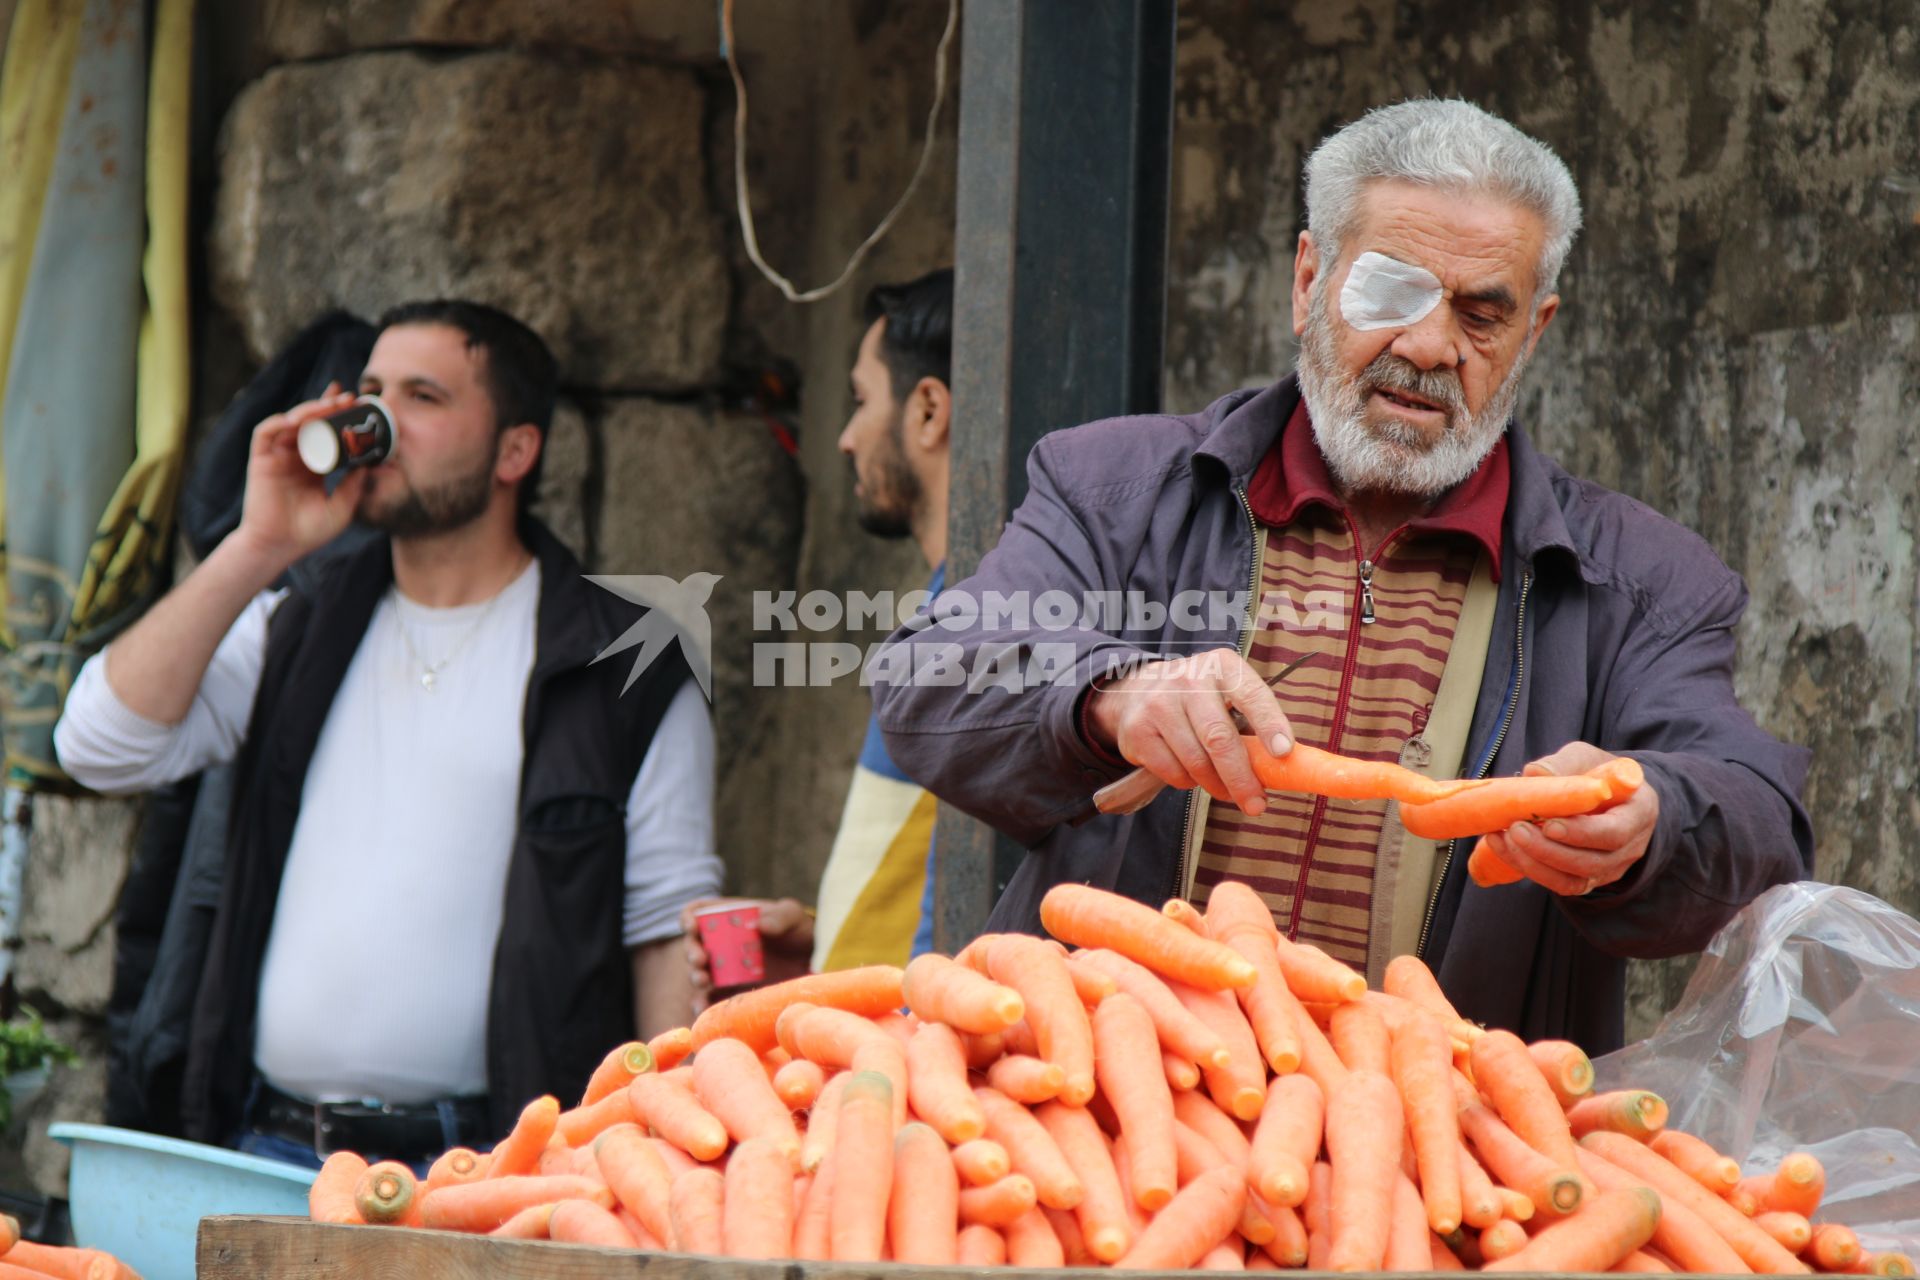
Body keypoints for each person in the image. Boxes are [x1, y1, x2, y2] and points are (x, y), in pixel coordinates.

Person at [870, 101, 1813, 1054]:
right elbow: (931, 675)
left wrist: (1652, 819)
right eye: (1391, 292)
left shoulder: (1644, 582)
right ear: (1310, 281)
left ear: (1533, 334)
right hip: (1117, 1116)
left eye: (1483, 315)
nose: (1430, 346)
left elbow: (1759, 820)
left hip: (1444, 1158)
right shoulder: (1112, 489)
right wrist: (1111, 697)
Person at [55, 300, 723, 1166]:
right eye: (369, 390)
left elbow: (666, 928)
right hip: (270, 1144)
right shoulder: (296, 620)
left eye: (423, 397)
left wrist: (662, 1160)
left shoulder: (624, 661)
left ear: (514, 452)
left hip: (488, 1170)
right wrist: (260, 544)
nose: (376, 421)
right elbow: (99, 748)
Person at [680, 269, 952, 1006]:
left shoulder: (981, 618)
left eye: (863, 402)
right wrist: (820, 944)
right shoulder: (949, 609)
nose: (843, 437)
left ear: (929, 412)